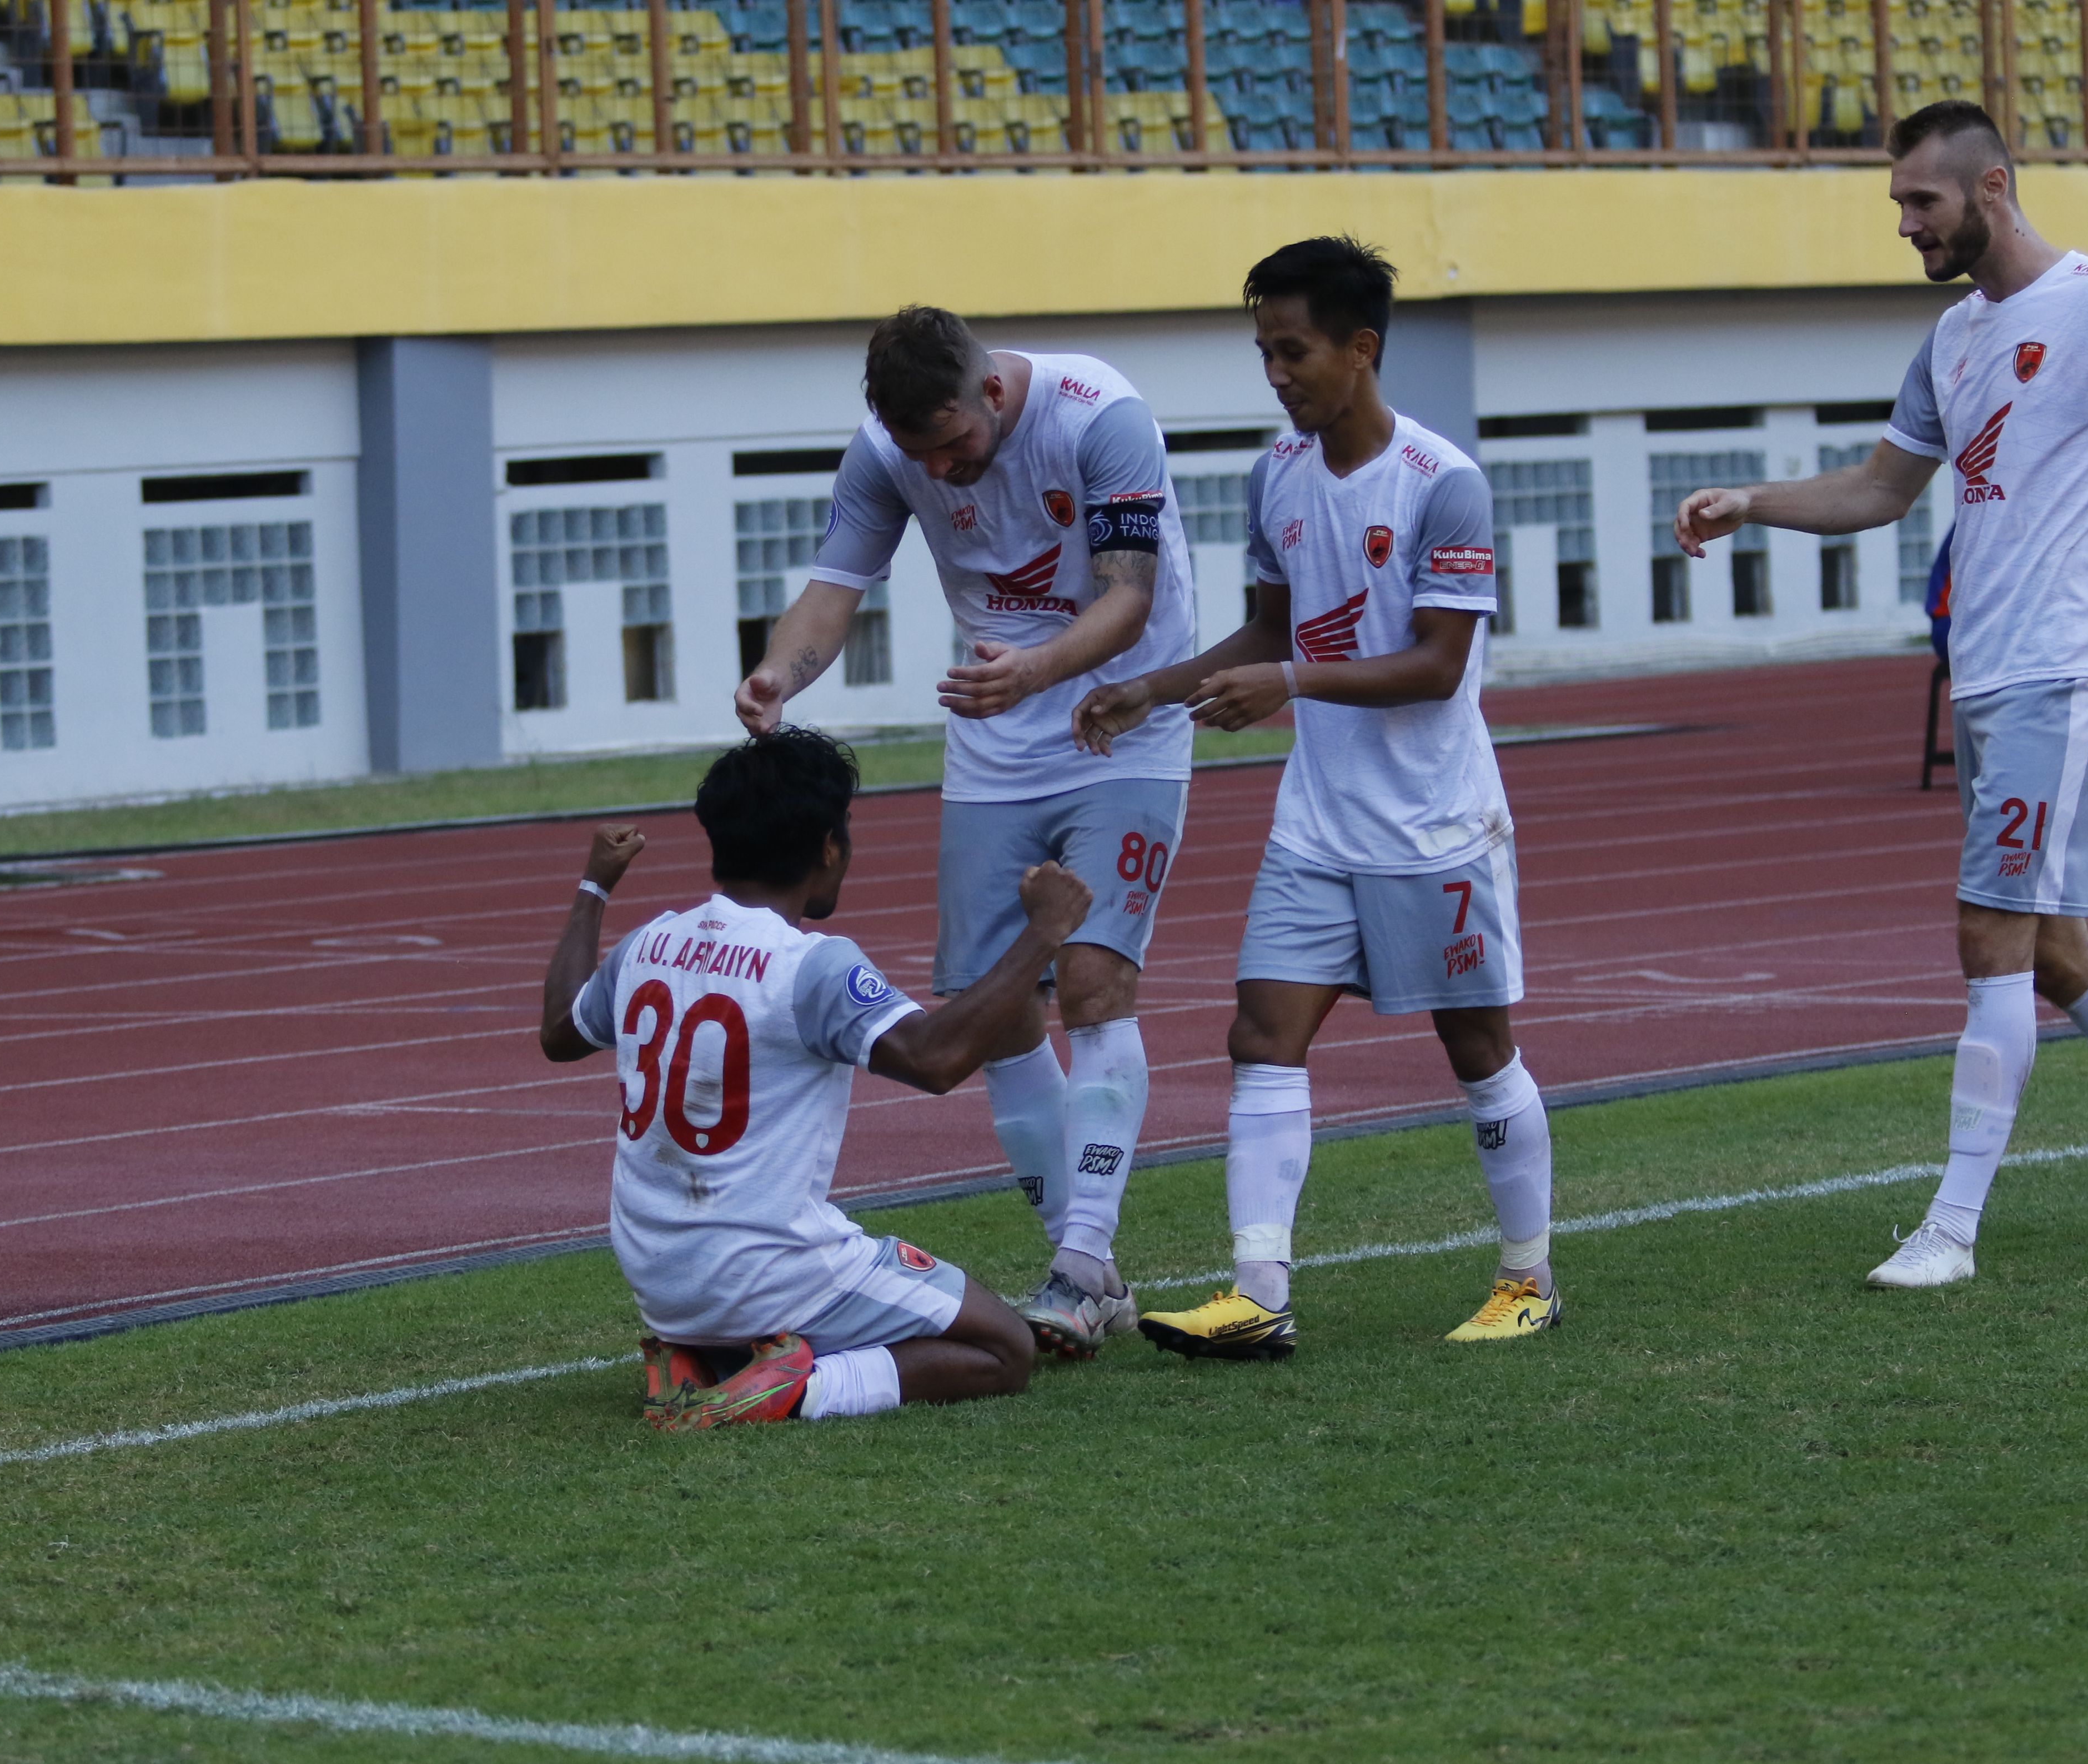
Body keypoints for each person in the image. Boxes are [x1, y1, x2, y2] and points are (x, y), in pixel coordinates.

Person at [1671, 100, 2088, 1287]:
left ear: (1990, 189)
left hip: (2068, 663)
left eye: (1920, 202)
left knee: (1989, 933)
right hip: (1986, 669)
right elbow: (1883, 489)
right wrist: (1752, 501)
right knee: (2056, 952)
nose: (1906, 224)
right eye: (1898, 205)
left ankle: (1952, 1228)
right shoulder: (1954, 338)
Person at [1072, 235, 1561, 1354]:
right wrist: (1152, 687)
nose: (1277, 375)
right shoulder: (1275, 474)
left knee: (1476, 1048)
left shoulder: (1446, 486)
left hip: (1434, 823)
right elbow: (1270, 626)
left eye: (1293, 352)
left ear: (1361, 348)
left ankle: (1527, 1277)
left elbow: (1439, 665)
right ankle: (1259, 1293)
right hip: (1318, 823)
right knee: (1262, 1033)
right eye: (1264, 353)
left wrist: (1288, 682)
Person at [734, 308, 1199, 1360]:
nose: (939, 471)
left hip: (1118, 722)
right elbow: (832, 591)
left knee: (1088, 981)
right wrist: (779, 675)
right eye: (917, 455)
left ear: (991, 393)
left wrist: (1030, 673)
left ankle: (1079, 1262)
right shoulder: (886, 451)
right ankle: (1086, 1273)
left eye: (951, 446)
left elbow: (1131, 599)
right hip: (994, 744)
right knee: (995, 1012)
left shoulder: (1100, 418)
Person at [538, 726, 1090, 1429]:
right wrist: (1042, 934)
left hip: (661, 1282)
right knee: (1003, 1348)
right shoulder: (811, 963)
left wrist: (594, 887)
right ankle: (792, 1390)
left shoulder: (650, 941)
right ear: (830, 847)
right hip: (762, 1274)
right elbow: (936, 1060)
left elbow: (560, 1032)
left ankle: (706, 1361)